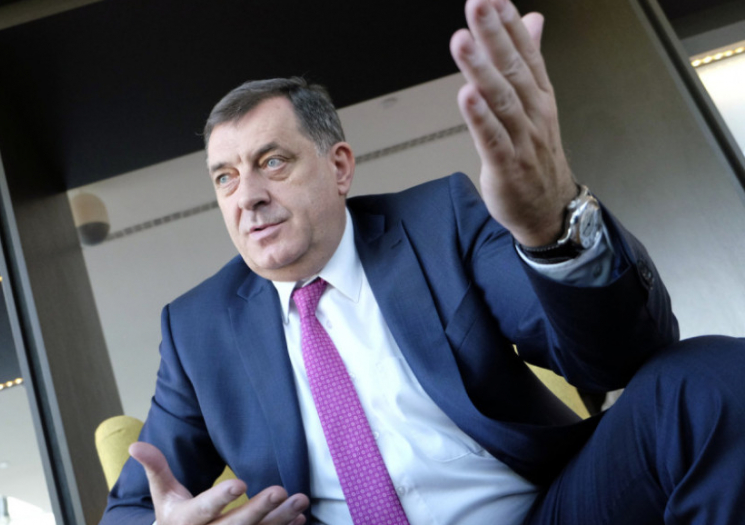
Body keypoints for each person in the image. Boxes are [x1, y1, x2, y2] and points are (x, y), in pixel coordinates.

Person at [100, 0, 745, 523]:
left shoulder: (440, 222)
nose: (248, 196)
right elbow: (131, 509)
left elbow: (619, 356)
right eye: (225, 177)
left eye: (272, 162)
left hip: (544, 512)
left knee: (708, 377)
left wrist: (552, 224)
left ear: (339, 167)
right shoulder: (197, 329)